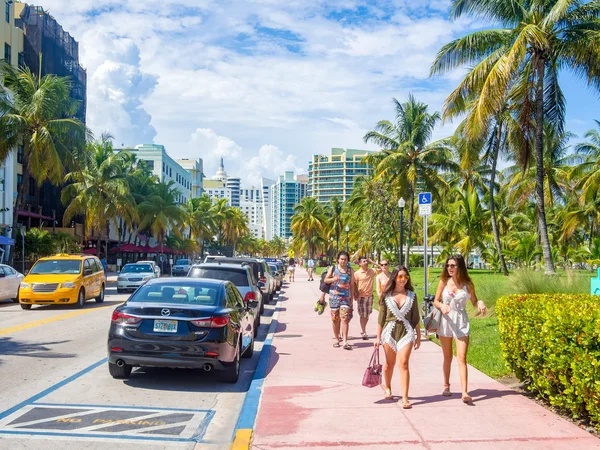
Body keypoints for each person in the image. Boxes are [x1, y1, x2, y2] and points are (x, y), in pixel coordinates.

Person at [433, 254, 487, 403]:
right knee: (448, 356)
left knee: (462, 357)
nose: (449, 268)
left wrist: (480, 303)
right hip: (446, 320)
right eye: (448, 265)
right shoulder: (444, 281)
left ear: (460, 267)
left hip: (461, 321)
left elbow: (474, 301)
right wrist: (442, 305)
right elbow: (435, 301)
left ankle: (464, 392)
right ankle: (446, 385)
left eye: (453, 266)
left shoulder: (467, 284)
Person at [375, 265, 421, 408]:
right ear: (394, 278)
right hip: (389, 332)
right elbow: (381, 318)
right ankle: (388, 387)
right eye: (400, 277)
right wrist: (377, 338)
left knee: (404, 363)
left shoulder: (412, 296)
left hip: (406, 331)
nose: (403, 280)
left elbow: (415, 318)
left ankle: (405, 398)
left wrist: (418, 336)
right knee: (390, 363)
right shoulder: (386, 296)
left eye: (406, 277)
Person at [324, 251, 355, 350]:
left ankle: (345, 341)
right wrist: (333, 279)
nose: (343, 261)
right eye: (341, 259)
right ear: (338, 260)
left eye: (345, 259)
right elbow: (325, 280)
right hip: (334, 298)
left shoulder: (350, 270)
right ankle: (337, 339)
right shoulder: (333, 268)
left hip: (345, 298)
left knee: (344, 318)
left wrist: (351, 298)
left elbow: (352, 285)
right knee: (335, 319)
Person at [353, 256, 381, 340]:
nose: (366, 262)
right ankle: (364, 331)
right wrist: (355, 293)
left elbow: (382, 268)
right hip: (361, 297)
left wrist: (373, 262)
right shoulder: (357, 273)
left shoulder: (372, 271)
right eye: (364, 261)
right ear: (360, 263)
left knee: (367, 314)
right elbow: (354, 284)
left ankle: (363, 329)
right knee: (362, 315)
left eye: (366, 261)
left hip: (370, 296)